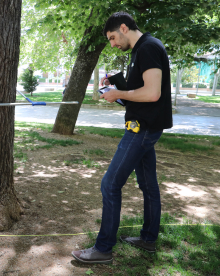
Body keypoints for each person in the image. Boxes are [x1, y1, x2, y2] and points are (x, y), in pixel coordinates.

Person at [71, 11, 172, 264]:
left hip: (143, 129)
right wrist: (116, 86)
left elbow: (151, 94)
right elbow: (138, 91)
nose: (113, 44)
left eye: (113, 37)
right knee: (148, 185)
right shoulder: (140, 50)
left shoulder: (148, 48)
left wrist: (118, 94)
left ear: (124, 28)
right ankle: (148, 238)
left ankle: (103, 249)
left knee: (110, 184)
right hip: (144, 124)